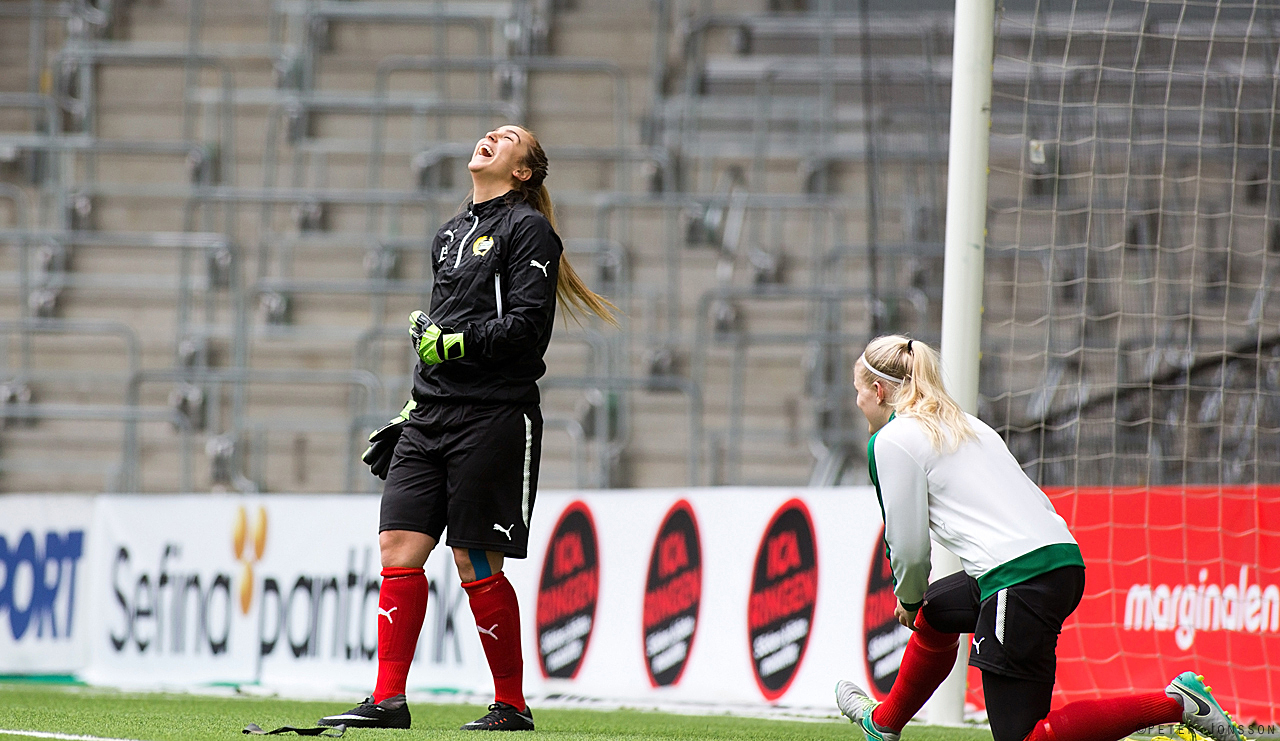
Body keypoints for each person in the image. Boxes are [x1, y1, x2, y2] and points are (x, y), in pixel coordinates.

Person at [319, 124, 616, 732]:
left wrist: (452, 343)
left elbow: (528, 327)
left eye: (509, 138)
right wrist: (412, 402)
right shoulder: (449, 234)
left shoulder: (529, 229)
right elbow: (443, 334)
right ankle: (387, 700)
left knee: (474, 559)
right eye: (492, 131)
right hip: (429, 414)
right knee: (397, 547)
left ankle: (512, 705)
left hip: (493, 413)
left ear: (522, 171)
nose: (492, 136)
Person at [835, 335, 1245, 741]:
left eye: (858, 392)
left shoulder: (891, 440)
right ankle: (885, 723)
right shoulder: (966, 423)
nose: (858, 402)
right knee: (937, 610)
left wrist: (906, 599)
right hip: (1059, 561)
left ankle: (1177, 704)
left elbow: (908, 548)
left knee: (1023, 738)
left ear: (879, 390)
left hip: (1016, 579)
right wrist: (919, 604)